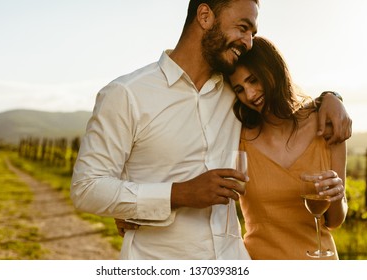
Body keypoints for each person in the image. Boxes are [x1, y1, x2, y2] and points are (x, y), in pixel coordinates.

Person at [71, 0, 351, 260]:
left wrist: (331, 97)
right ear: (205, 16)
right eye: (243, 28)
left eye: (253, 32)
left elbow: (280, 102)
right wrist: (175, 195)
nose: (248, 42)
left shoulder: (234, 94)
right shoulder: (127, 94)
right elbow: (86, 188)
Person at [228, 36, 348, 259]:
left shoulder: (327, 125)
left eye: (253, 80)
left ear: (272, 69)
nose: (250, 94)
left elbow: (334, 221)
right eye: (239, 89)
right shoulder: (238, 137)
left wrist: (337, 196)